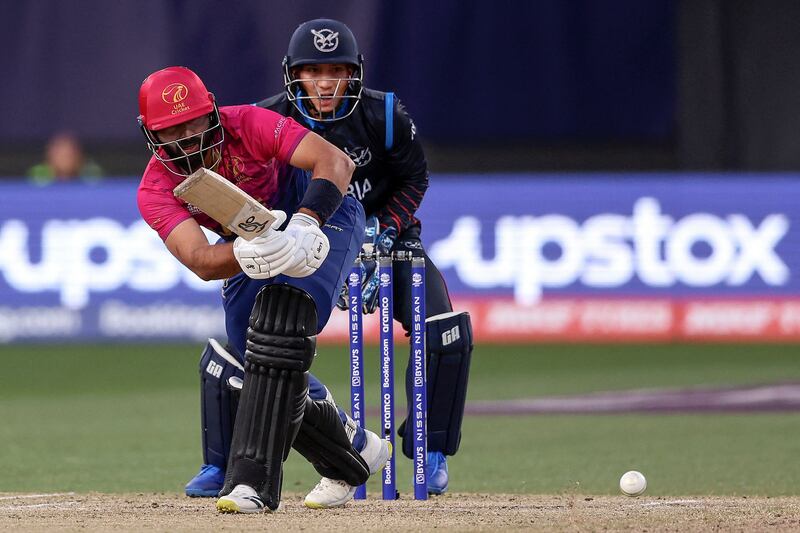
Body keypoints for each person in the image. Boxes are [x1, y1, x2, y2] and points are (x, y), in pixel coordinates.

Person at [136, 65, 390, 513]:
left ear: (213, 109)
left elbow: (336, 162)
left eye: (195, 122)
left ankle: (251, 483)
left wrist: (308, 222)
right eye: (172, 130)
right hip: (248, 237)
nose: (189, 138)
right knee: (252, 349)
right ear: (150, 135)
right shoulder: (156, 187)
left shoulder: (247, 123)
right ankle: (352, 450)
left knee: (285, 319)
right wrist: (248, 255)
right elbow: (198, 258)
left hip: (324, 215)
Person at [257, 19, 474, 497]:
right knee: (264, 342)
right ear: (294, 75)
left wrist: (386, 231)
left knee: (445, 331)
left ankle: (429, 449)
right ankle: (233, 461)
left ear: (354, 73)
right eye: (314, 72)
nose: (326, 83)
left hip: (388, 241)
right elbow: (258, 190)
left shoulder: (385, 114)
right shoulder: (268, 120)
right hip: (308, 250)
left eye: (337, 71)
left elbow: (414, 178)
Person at [27, 132, 103, 185]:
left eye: (69, 155)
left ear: (79, 156)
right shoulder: (37, 182)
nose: (65, 160)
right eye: (60, 155)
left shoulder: (91, 180)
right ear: (49, 156)